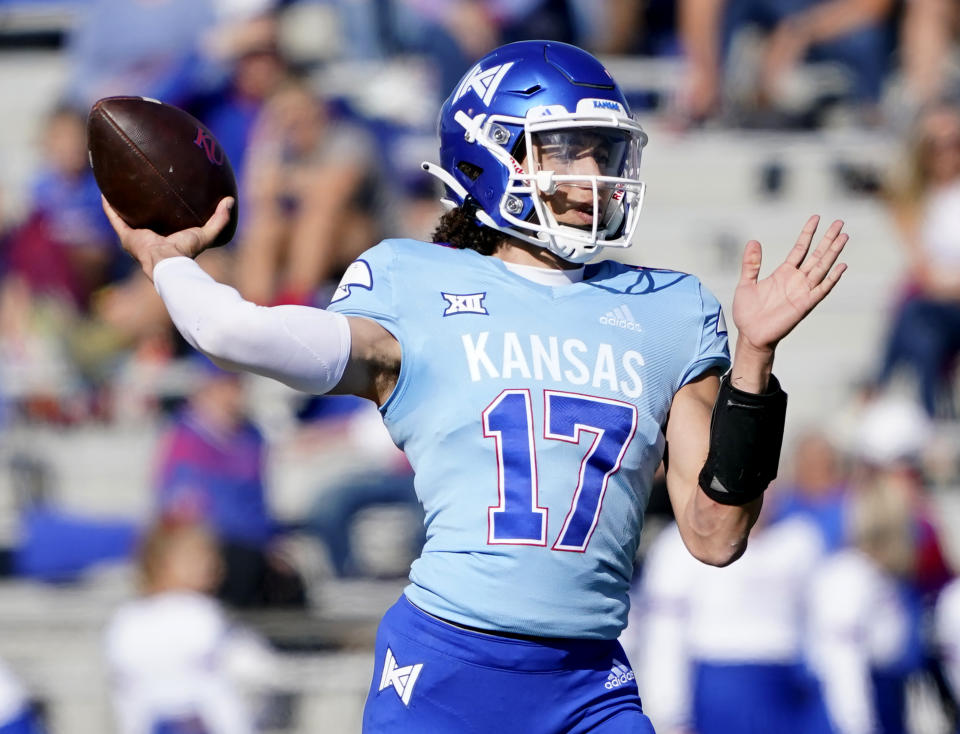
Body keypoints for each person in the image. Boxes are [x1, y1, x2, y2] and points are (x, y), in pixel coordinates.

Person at [102, 40, 848, 733]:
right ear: (493, 154)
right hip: (448, 669)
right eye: (566, 151)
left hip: (590, 680)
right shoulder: (415, 282)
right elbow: (238, 334)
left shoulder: (669, 309)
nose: (593, 175)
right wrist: (166, 262)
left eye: (603, 152)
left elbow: (715, 536)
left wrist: (755, 358)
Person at [104, 519, 278, 734]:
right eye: (194, 557)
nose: (208, 564)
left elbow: (253, 667)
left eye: (210, 555)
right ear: (159, 562)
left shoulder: (209, 612)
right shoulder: (130, 620)